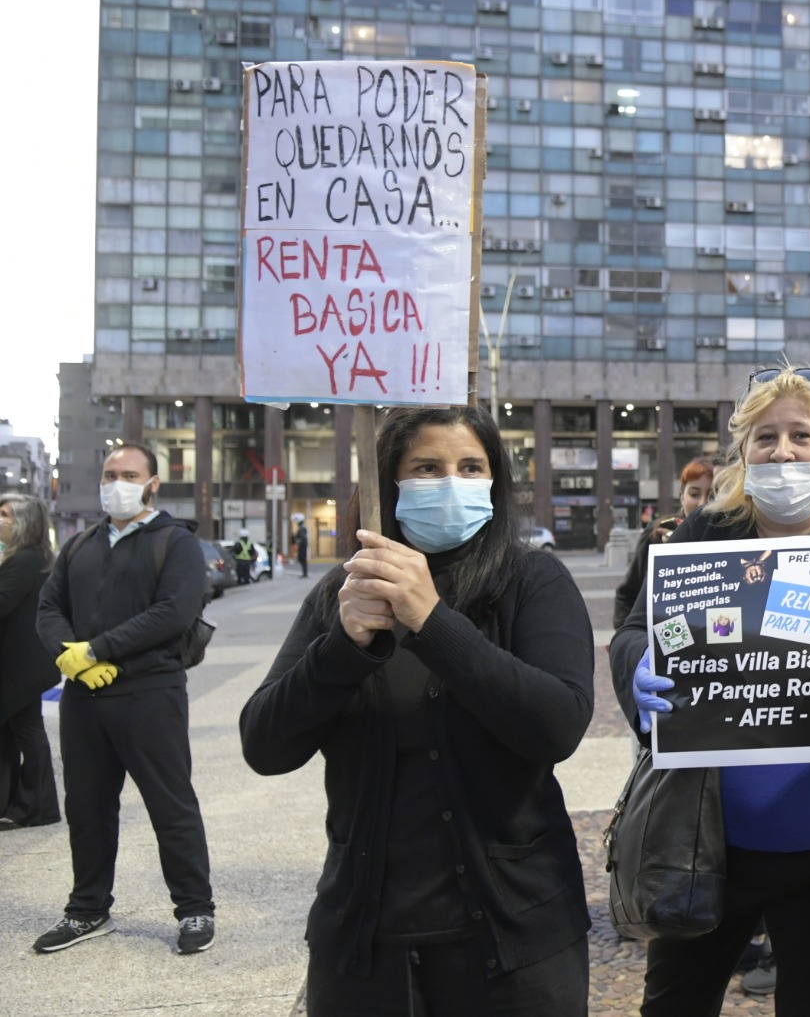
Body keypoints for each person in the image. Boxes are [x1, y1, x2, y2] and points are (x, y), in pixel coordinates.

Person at [240, 406, 594, 1017]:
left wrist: (433, 623)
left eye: (470, 467)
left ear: (494, 481)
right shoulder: (344, 593)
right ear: (389, 482)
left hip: (515, 936)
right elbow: (265, 746)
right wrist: (340, 651)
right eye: (426, 468)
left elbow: (556, 724)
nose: (450, 482)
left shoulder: (531, 580)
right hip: (367, 939)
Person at [610, 364, 810, 1017]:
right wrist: (636, 667)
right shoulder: (705, 536)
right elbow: (634, 630)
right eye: (765, 438)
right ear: (744, 454)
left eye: (800, 436)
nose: (782, 452)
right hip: (705, 851)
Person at [33, 441, 215, 955]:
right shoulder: (80, 545)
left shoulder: (174, 542)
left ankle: (195, 909)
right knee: (87, 807)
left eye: (130, 473)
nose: (117, 483)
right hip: (84, 699)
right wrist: (69, 655)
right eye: (110, 473)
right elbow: (49, 607)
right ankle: (87, 910)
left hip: (149, 692)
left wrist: (97, 649)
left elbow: (174, 612)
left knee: (170, 803)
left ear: (152, 482)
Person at [0, 493, 61, 831]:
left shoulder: (24, 560)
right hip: (21, 664)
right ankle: (21, 804)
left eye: (5, 514)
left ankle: (36, 806)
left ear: (22, 522)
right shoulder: (28, 558)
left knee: (26, 731)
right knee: (16, 731)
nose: (1, 519)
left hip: (20, 667)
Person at [612, 455, 716, 629]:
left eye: (712, 495)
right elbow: (628, 594)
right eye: (694, 494)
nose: (703, 503)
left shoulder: (732, 535)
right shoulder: (658, 533)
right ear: (682, 497)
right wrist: (626, 639)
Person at [293, 513, 310, 578]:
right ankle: (304, 573)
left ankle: (305, 573)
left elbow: (301, 538)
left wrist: (298, 543)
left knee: (302, 559)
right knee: (301, 559)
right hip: (302, 546)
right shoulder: (302, 528)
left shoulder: (302, 529)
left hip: (302, 546)